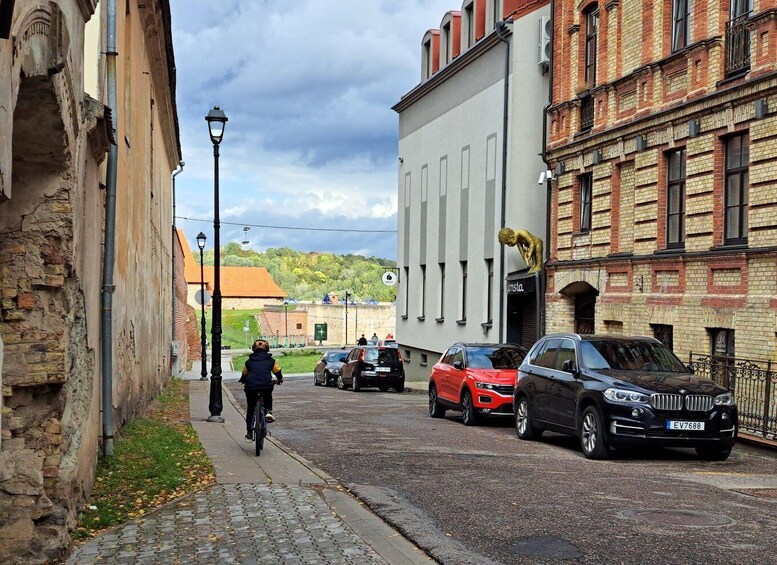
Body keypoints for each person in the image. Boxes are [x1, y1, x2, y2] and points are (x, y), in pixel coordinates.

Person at [240, 339, 283, 441]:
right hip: (266, 385)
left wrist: (242, 380)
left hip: (251, 387)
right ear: (267, 349)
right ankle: (268, 411)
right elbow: (277, 371)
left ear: (253, 349)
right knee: (268, 395)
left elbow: (244, 374)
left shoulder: (249, 362)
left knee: (250, 409)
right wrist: (279, 379)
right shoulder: (271, 361)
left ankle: (249, 433)